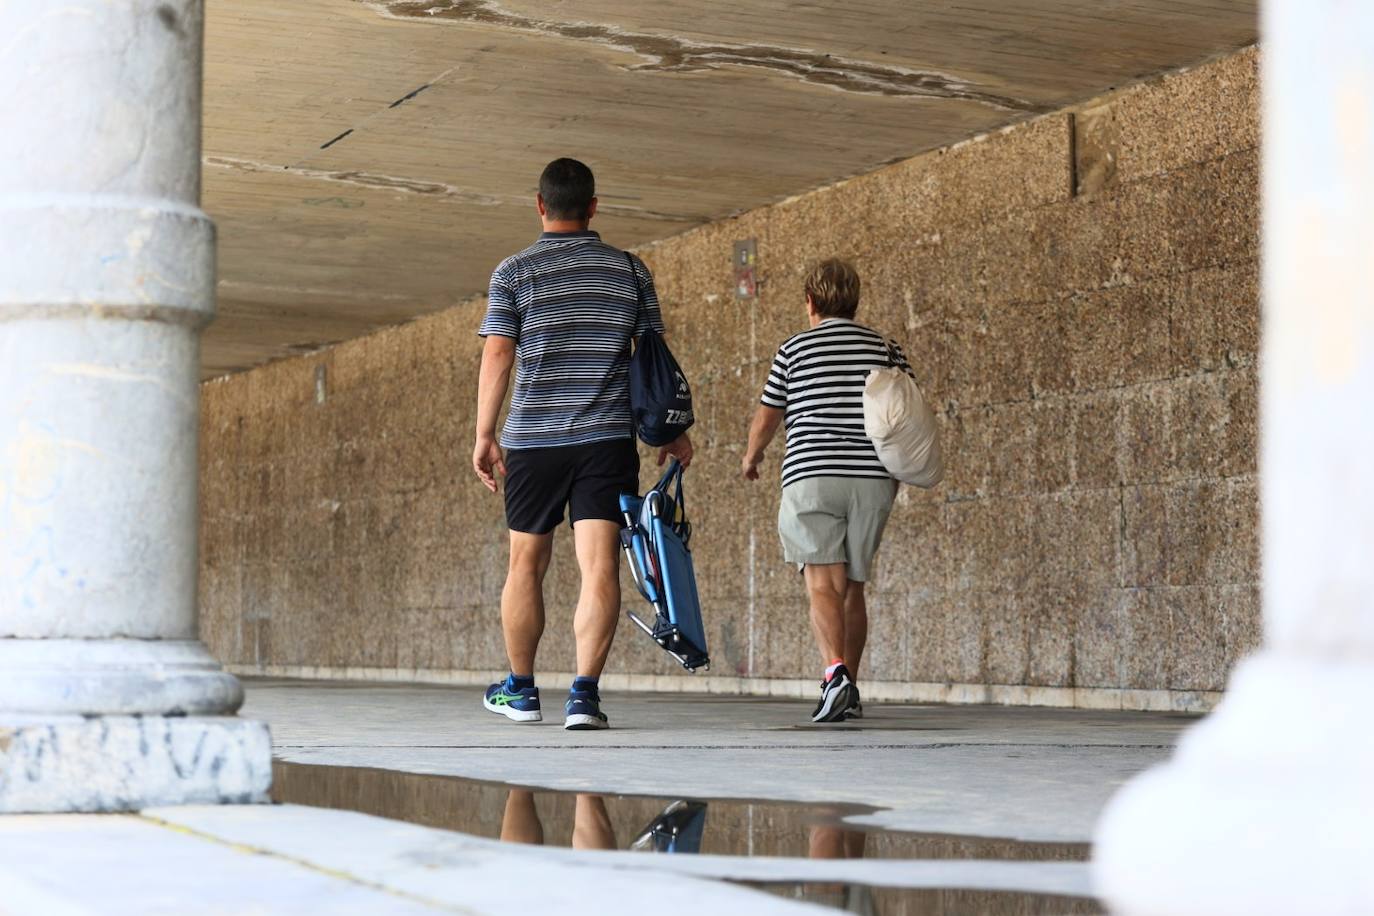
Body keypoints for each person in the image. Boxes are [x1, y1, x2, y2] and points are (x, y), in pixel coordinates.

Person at [473, 157, 693, 730]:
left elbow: (498, 354)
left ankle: (521, 690)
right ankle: (583, 697)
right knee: (599, 568)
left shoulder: (513, 272)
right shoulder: (629, 271)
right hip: (605, 440)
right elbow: (652, 359)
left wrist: (483, 434)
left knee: (526, 563)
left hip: (533, 439)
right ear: (594, 207)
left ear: (540, 206)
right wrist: (672, 431)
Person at [742, 258, 911, 723]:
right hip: (873, 479)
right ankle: (848, 688)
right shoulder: (886, 348)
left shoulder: (794, 349)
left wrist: (752, 457)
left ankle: (834, 674)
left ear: (811, 301)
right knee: (853, 586)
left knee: (822, 582)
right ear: (854, 303)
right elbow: (905, 411)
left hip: (813, 475)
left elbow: (768, 415)